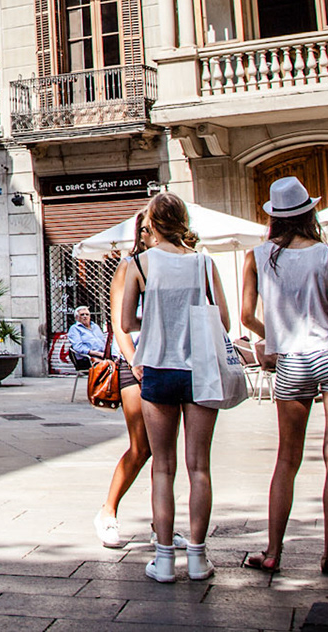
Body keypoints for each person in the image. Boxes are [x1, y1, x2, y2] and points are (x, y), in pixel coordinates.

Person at [240, 176, 328, 576]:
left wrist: (273, 339)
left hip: (292, 361)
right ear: (310, 212)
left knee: (286, 459)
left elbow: (245, 316)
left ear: (274, 217)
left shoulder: (256, 256)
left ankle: (273, 552)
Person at [121, 191, 228, 584]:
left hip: (158, 368)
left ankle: (164, 559)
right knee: (200, 466)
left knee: (162, 468)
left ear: (152, 222)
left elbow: (127, 321)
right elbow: (225, 322)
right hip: (201, 369)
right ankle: (198, 558)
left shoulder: (141, 264)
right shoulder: (203, 263)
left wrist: (158, 315)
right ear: (182, 220)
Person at [96, 214, 154, 550]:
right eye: (148, 229)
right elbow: (121, 325)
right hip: (135, 364)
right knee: (142, 446)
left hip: (168, 363)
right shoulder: (129, 266)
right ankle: (107, 511)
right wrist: (134, 360)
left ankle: (163, 524)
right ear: (142, 233)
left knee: (166, 454)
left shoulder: (181, 263)